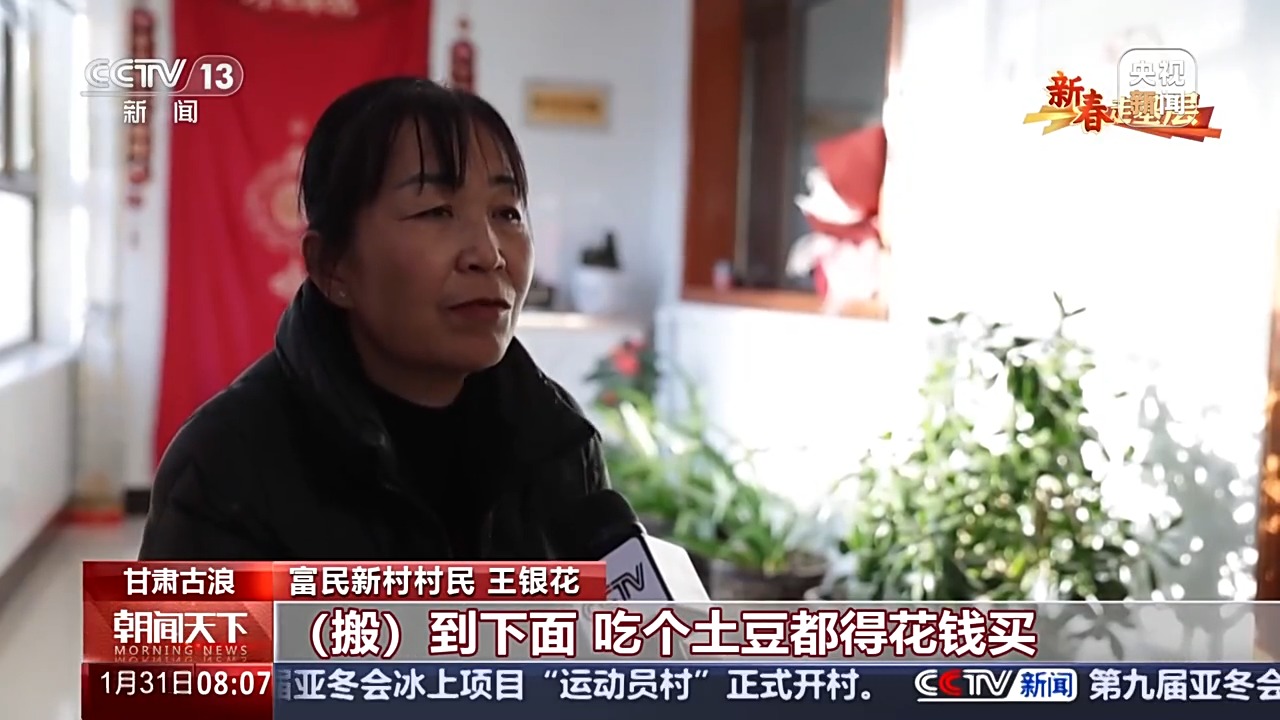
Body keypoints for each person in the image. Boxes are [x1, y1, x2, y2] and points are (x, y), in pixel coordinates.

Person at [139, 77, 609, 560]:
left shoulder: (556, 438)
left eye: (506, 213)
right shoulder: (225, 465)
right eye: (436, 212)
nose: (488, 255)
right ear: (332, 266)